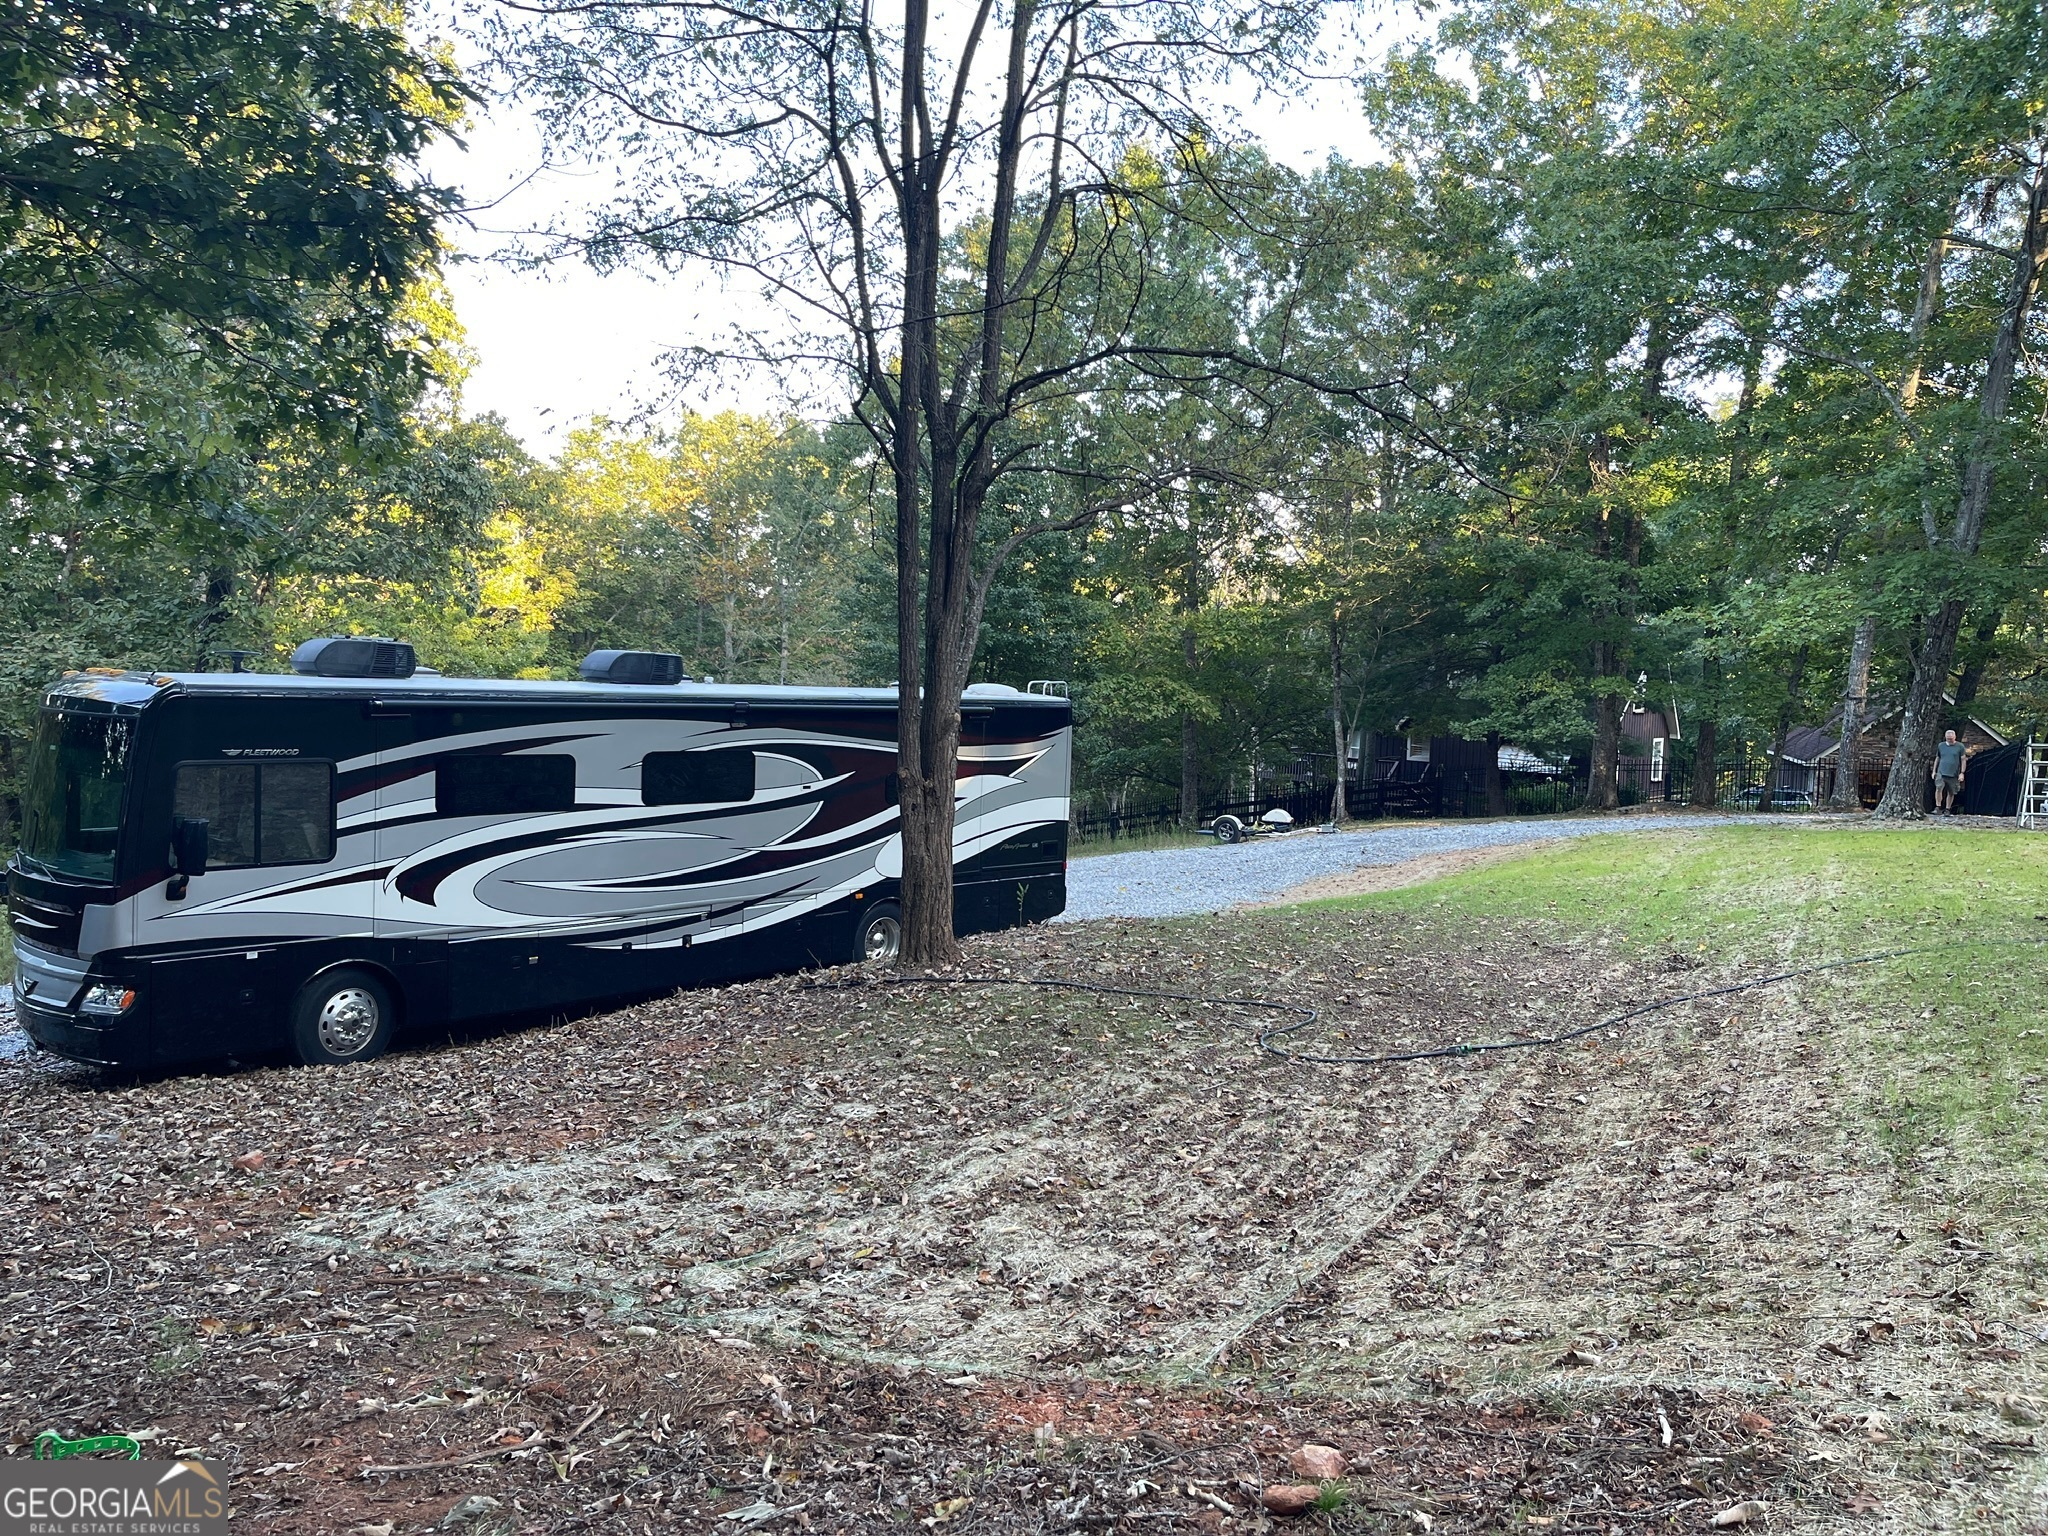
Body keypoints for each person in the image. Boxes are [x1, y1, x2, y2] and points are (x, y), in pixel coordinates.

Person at [1932, 729, 1968, 814]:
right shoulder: (1941, 746)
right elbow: (1937, 758)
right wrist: (1934, 771)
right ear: (1945, 737)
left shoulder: (1960, 746)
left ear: (1955, 737)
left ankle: (1948, 809)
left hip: (1953, 773)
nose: (1950, 739)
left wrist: (1962, 773)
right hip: (1941, 772)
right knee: (1938, 788)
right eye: (1948, 738)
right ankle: (1938, 807)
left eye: (1951, 738)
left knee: (1951, 791)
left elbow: (1963, 760)